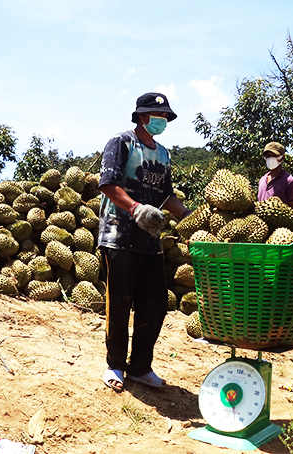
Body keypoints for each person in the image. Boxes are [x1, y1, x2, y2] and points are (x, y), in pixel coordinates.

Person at [97, 92, 192, 392]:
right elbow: (108, 184)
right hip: (119, 236)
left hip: (151, 242)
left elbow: (166, 196)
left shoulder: (163, 154)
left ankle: (140, 367)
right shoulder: (122, 142)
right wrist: (135, 208)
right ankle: (115, 365)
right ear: (141, 116)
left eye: (165, 117)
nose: (162, 121)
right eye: (157, 116)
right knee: (120, 302)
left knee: (154, 305)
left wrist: (189, 216)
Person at [256, 141, 293, 210]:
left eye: (274, 156)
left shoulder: (290, 182)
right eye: (268, 156)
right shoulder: (262, 180)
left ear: (282, 158)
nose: (270, 159)